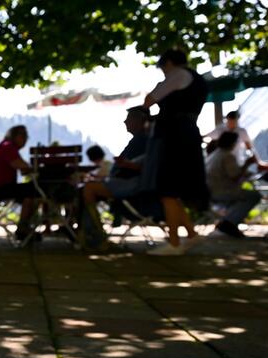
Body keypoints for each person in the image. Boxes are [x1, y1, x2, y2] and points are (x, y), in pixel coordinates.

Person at [141, 49, 209, 256]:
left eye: (162, 68)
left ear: (168, 62)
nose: (162, 72)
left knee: (167, 188)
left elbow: (149, 99)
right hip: (188, 133)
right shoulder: (197, 79)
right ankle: (190, 234)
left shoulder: (178, 75)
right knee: (173, 190)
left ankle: (174, 242)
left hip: (175, 136)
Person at [78, 106, 152, 248]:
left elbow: (140, 165)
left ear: (138, 121)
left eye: (128, 119)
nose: (125, 122)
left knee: (88, 189)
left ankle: (97, 234)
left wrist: (125, 165)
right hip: (126, 182)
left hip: (132, 184)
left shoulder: (142, 140)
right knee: (86, 190)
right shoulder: (142, 139)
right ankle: (90, 234)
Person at [0, 125, 37, 241]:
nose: (25, 139)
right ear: (13, 136)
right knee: (32, 191)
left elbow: (23, 168)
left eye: (26, 136)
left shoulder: (7, 147)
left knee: (31, 191)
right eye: (22, 135)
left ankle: (24, 227)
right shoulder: (7, 147)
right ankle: (23, 228)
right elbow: (21, 165)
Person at [206, 131, 262, 238]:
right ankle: (229, 223)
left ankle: (228, 222)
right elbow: (235, 177)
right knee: (254, 196)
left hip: (212, 191)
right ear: (232, 143)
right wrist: (247, 163)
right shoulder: (227, 156)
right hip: (222, 192)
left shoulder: (214, 154)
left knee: (245, 197)